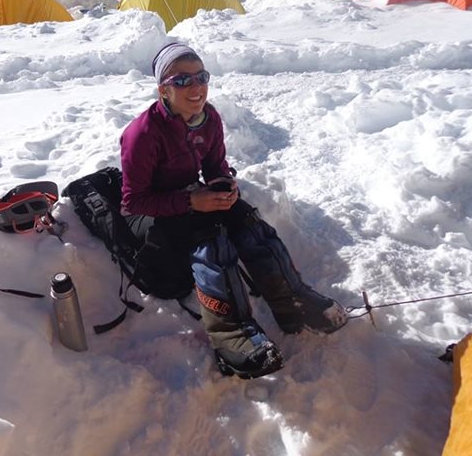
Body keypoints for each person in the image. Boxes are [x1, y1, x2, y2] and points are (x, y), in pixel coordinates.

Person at [120, 42, 348, 379]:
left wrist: (223, 184)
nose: (195, 88)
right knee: (210, 241)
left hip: (187, 196)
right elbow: (132, 203)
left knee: (249, 224)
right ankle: (231, 334)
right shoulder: (143, 134)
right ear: (163, 90)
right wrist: (190, 202)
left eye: (201, 77)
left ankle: (291, 301)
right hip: (150, 214)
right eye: (182, 81)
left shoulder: (208, 118)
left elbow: (215, 166)